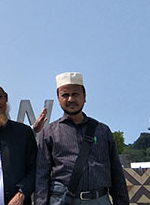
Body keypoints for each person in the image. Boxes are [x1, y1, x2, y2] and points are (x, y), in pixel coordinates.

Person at [35, 72, 128, 205]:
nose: (70, 99)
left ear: (84, 97)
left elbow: (116, 173)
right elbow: (41, 175)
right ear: (58, 98)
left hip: (99, 200)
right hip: (63, 200)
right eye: (65, 95)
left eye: (75, 94)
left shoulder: (102, 130)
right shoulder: (49, 132)